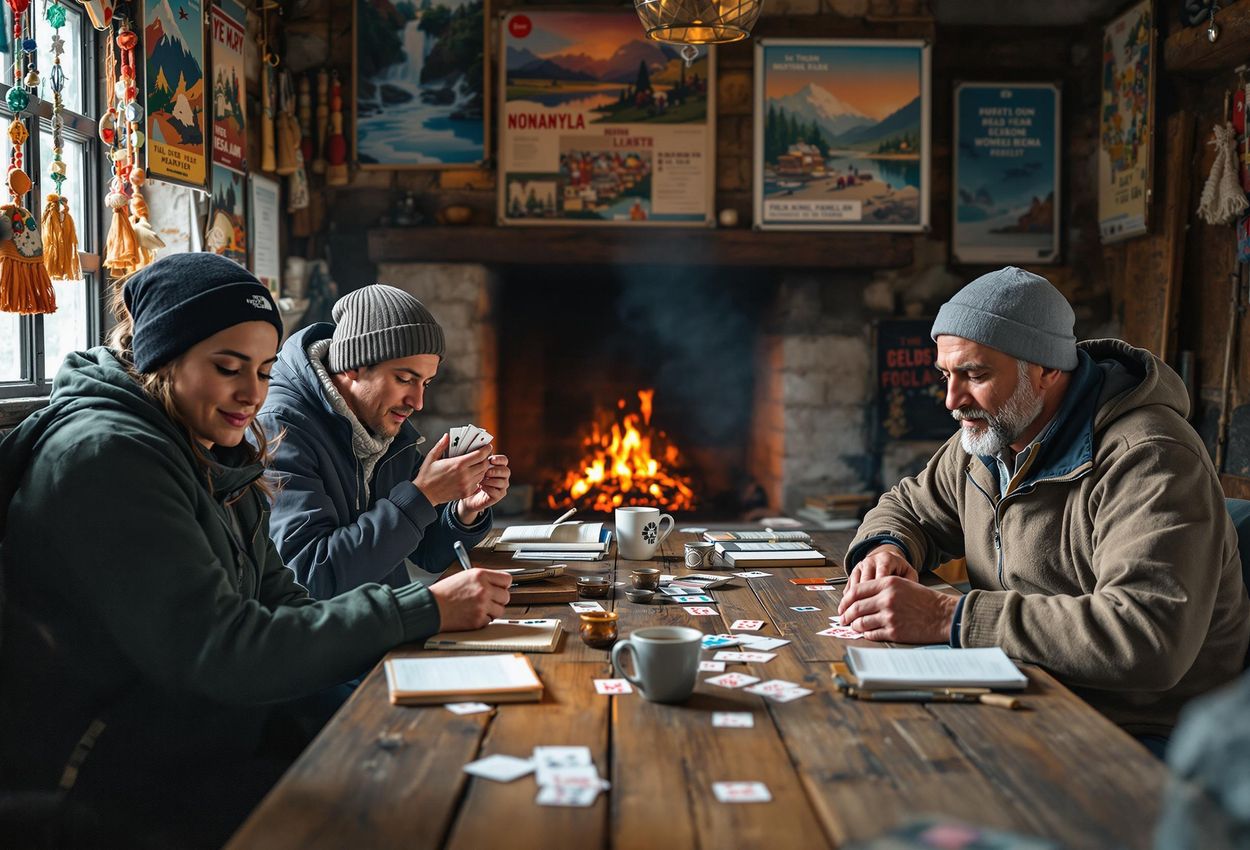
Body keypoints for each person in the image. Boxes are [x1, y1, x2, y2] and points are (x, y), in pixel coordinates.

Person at [0, 254, 510, 847]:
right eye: (227, 367)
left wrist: (444, 556)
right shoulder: (106, 459)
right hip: (103, 774)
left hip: (208, 725)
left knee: (444, 755)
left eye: (265, 371)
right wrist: (420, 609)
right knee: (415, 805)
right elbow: (226, 646)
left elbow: (283, 601)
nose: (251, 395)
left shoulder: (211, 445)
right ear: (162, 357)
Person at [837, 266, 1250, 745]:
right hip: (1026, 693)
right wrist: (886, 549)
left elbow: (1147, 637)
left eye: (975, 374)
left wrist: (944, 617)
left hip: (1135, 731)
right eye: (946, 374)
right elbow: (908, 507)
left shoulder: (1150, 457)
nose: (952, 399)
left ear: (1048, 369)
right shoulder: (991, 435)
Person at [258, 284, 511, 601]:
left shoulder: (382, 423)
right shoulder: (281, 428)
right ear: (353, 366)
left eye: (425, 382)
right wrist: (423, 495)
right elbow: (310, 577)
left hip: (387, 628)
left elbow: (428, 553)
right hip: (332, 643)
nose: (417, 402)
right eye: (405, 379)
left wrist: (463, 510)